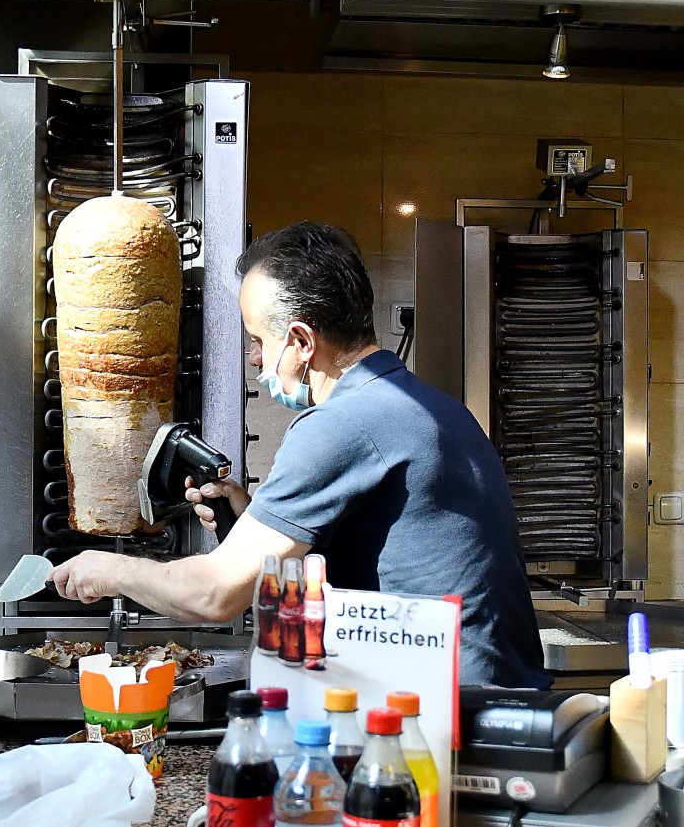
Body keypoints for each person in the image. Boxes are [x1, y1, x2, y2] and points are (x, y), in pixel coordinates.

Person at [51, 221, 551, 689]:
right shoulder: (432, 406)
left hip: (448, 717)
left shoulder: (343, 423)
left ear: (302, 341)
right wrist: (252, 519)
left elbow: (215, 594)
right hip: (497, 697)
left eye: (258, 341)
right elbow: (389, 560)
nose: (254, 359)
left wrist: (110, 569)